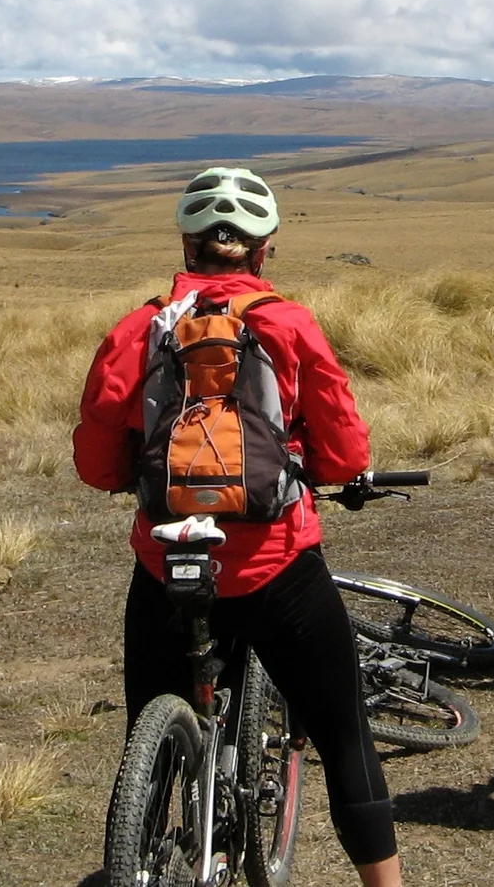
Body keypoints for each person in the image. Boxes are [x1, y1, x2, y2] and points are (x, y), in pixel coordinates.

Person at [74, 167, 405, 887]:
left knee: (150, 742)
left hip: (168, 566)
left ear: (188, 245)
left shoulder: (140, 327)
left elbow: (98, 461)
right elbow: (347, 450)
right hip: (274, 565)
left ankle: (143, 854)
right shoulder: (288, 323)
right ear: (261, 251)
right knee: (346, 739)